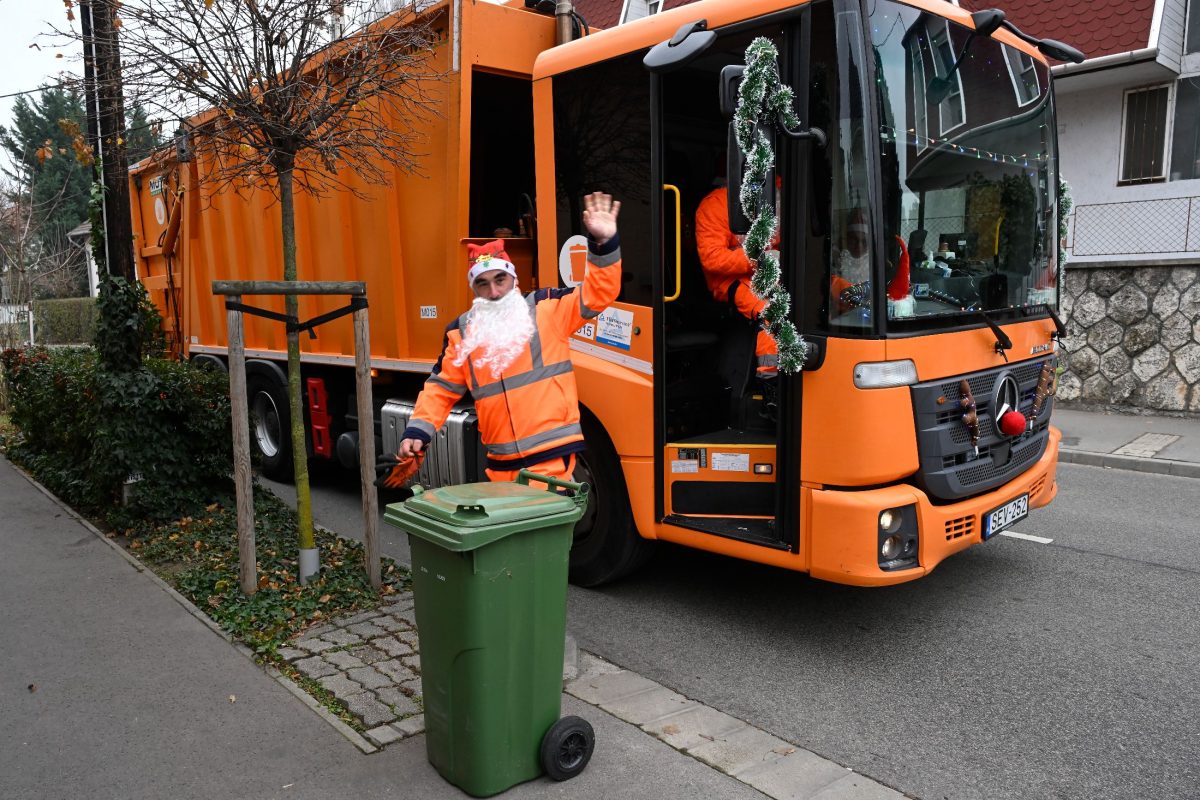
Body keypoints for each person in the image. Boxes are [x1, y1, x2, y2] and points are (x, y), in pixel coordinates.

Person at [386, 192, 622, 489]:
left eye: (500, 279)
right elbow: (441, 389)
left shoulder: (546, 309)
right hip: (501, 465)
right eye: (482, 284)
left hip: (550, 460)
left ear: (514, 278)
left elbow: (599, 294)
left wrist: (604, 244)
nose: (494, 291)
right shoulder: (462, 333)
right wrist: (417, 432)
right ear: (474, 289)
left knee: (541, 531)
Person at [694, 183, 779, 378]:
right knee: (769, 312)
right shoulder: (715, 205)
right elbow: (713, 259)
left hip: (762, 273)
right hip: (727, 280)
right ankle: (771, 381)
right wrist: (760, 259)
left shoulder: (776, 193)